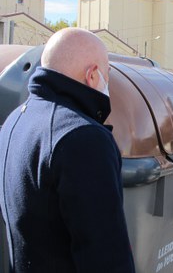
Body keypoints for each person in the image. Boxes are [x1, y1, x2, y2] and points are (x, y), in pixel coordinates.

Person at [0, 28, 135, 272]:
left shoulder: (14, 121)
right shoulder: (84, 137)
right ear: (92, 74)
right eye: (107, 72)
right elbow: (105, 255)